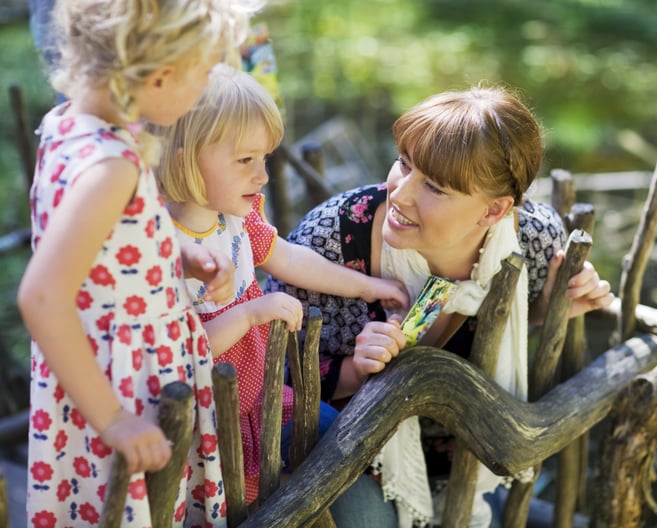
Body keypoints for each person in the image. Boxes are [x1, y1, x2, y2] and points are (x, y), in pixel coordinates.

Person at [266, 84, 615, 527]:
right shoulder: (330, 240)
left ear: (494, 212)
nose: (401, 193)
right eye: (403, 164)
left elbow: (511, 321)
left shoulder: (531, 242)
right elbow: (265, 376)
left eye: (434, 186)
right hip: (347, 457)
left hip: (467, 464)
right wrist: (356, 369)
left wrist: (550, 309)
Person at [16, 0, 254, 525]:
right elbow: (41, 296)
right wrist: (115, 421)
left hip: (107, 371)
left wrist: (175, 250)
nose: (203, 89)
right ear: (160, 73)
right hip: (119, 383)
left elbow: (103, 238)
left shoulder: (70, 124)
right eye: (202, 72)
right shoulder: (110, 168)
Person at [156, 63, 409, 506]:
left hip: (264, 396)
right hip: (213, 424)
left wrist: (366, 286)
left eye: (265, 159)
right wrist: (251, 312)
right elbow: (182, 350)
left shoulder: (236, 216)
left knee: (344, 443)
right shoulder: (158, 245)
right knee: (252, 506)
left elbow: (289, 257)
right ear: (186, 157)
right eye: (245, 160)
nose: (263, 177)